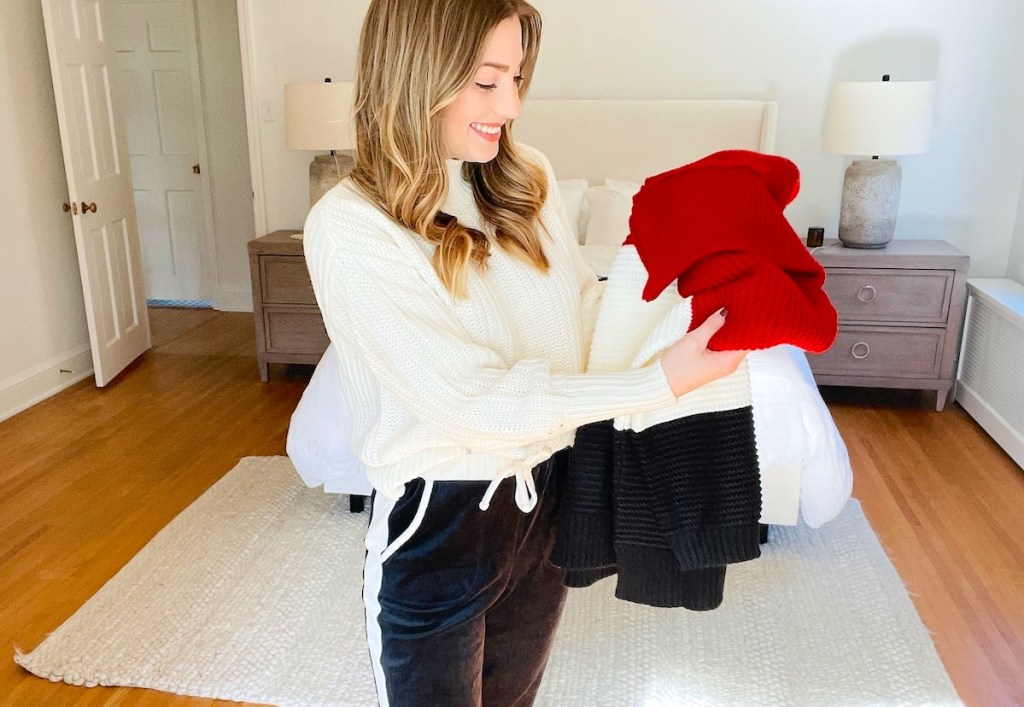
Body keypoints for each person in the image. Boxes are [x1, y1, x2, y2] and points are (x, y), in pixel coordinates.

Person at [302, 1, 748, 704]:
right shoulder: (349, 226)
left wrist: (689, 305)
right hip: (439, 525)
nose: (509, 105)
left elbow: (580, 312)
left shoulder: (525, 179)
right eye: (486, 81)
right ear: (419, 76)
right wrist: (658, 382)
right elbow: (467, 400)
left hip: (545, 502)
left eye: (516, 77)